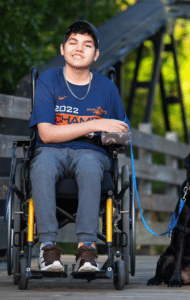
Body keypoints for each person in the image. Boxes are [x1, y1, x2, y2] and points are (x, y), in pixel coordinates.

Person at [29, 20, 130, 272]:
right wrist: (95, 123)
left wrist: (115, 132)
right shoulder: (47, 81)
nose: (78, 48)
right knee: (41, 165)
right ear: (62, 49)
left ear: (95, 55)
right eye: (72, 42)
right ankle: (48, 248)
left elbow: (123, 130)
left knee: (88, 164)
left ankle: (87, 249)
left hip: (93, 153)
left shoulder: (107, 88)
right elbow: (47, 134)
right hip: (50, 151)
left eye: (87, 45)